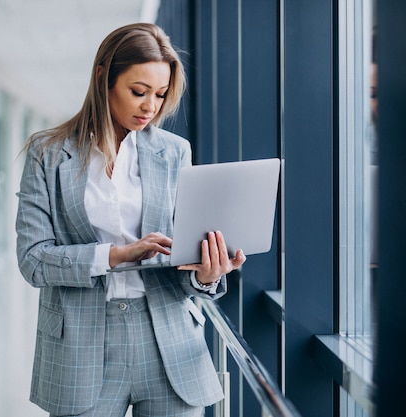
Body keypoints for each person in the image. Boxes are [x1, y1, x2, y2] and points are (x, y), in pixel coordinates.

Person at [16, 22, 246, 417]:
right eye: (138, 92)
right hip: (80, 346)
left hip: (168, 343)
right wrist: (117, 255)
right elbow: (33, 260)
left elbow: (181, 261)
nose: (150, 107)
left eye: (159, 94)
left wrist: (207, 275)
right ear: (104, 78)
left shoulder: (174, 152)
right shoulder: (48, 152)